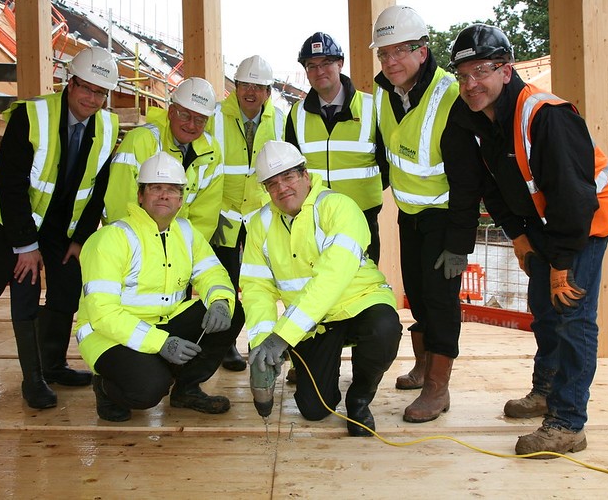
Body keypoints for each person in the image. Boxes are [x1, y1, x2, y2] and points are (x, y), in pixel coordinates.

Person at [448, 24, 608, 457]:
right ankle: (547, 391)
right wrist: (519, 236)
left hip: (585, 221)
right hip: (546, 224)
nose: (471, 84)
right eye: (463, 75)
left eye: (481, 72)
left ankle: (568, 423)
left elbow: (573, 196)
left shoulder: (546, 115)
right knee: (544, 310)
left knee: (571, 315)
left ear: (506, 70)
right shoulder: (478, 117)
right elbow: (492, 187)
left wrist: (562, 263)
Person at [0, 46, 120, 409]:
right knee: (26, 287)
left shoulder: (108, 127)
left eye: (100, 92)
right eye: (86, 88)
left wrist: (80, 239)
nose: (92, 98)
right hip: (15, 219)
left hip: (60, 224)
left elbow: (98, 189)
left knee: (68, 284)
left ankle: (54, 365)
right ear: (69, 82)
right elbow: (11, 184)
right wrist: (25, 246)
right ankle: (32, 379)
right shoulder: (31, 116)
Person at [369, 5, 483, 422]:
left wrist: (459, 244)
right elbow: (387, 155)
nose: (391, 61)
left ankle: (438, 387)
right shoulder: (385, 95)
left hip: (444, 216)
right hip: (410, 214)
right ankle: (422, 365)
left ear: (422, 50)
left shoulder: (449, 94)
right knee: (417, 294)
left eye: (400, 51)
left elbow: (468, 178)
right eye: (384, 53)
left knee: (440, 301)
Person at [242, 140, 401, 437]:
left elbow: (332, 276)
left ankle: (360, 397)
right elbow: (256, 287)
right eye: (272, 183)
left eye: (288, 177)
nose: (282, 188)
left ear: (305, 175)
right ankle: (323, 385)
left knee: (383, 330)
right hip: (314, 323)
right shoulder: (260, 224)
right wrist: (264, 343)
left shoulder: (339, 207)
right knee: (314, 409)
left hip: (360, 303)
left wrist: (283, 336)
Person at [75, 152, 244, 422]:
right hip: (109, 336)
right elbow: (103, 314)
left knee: (232, 311)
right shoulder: (112, 238)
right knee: (149, 390)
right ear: (140, 195)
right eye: (156, 188)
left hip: (163, 324)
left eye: (172, 190)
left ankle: (186, 390)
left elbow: (212, 272)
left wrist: (221, 301)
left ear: (181, 199)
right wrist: (161, 343)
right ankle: (106, 388)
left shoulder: (185, 232)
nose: (164, 195)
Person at [208, 55, 285, 371]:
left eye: (258, 86)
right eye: (244, 85)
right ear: (235, 87)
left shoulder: (280, 121)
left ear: (268, 92)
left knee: (260, 283)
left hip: (260, 217)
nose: (250, 92)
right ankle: (225, 345)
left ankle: (260, 341)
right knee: (224, 283)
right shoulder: (214, 116)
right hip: (222, 216)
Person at [285, 32, 386, 264]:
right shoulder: (296, 114)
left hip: (362, 217)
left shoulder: (372, 107)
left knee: (363, 281)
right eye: (312, 66)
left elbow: (387, 163)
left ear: (340, 63)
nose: (319, 71)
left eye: (326, 63)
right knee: (318, 281)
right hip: (314, 218)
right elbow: (291, 170)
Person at [104, 77, 224, 242]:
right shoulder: (141, 141)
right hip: (136, 243)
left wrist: (186, 249)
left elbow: (206, 214)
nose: (191, 125)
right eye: (185, 115)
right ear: (171, 112)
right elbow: (120, 203)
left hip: (179, 247)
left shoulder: (212, 151)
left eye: (199, 120)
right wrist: (136, 247)